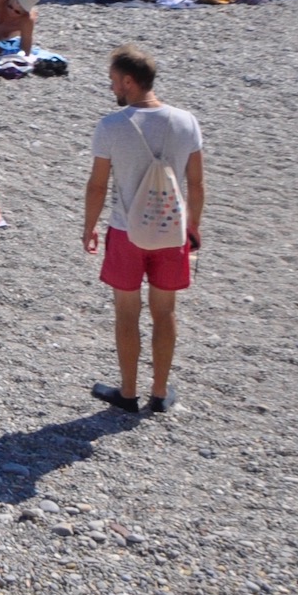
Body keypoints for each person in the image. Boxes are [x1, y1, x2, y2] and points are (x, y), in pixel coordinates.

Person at [82, 46, 204, 413]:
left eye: (113, 81)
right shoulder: (187, 122)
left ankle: (129, 392)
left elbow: (98, 186)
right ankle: (161, 392)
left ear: (129, 82)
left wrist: (89, 227)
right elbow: (196, 184)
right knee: (165, 312)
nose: (111, 88)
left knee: (126, 312)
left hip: (126, 231)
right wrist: (193, 227)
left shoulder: (111, 127)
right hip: (172, 231)